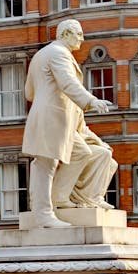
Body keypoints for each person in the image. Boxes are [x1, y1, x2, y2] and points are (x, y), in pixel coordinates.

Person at [22, 19, 117, 227]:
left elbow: (29, 92)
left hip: (57, 117)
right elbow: (67, 82)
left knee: (82, 151)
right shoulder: (58, 53)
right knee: (45, 164)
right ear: (65, 34)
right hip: (51, 116)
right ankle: (43, 214)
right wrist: (91, 101)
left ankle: (60, 198)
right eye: (79, 34)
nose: (82, 39)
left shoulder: (41, 55)